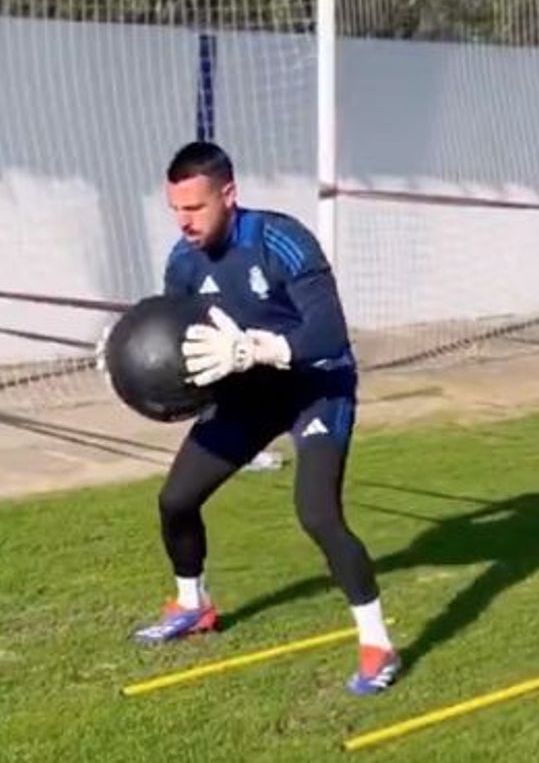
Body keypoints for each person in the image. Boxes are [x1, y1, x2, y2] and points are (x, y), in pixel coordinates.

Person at [102, 140, 400, 696]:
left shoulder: (281, 241)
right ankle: (193, 606)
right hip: (248, 394)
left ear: (229, 195)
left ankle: (377, 644)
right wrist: (125, 361)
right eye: (175, 209)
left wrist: (258, 349)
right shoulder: (183, 262)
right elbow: (179, 346)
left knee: (317, 514)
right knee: (176, 500)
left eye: (195, 208)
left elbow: (329, 334)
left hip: (317, 388)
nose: (184, 222)